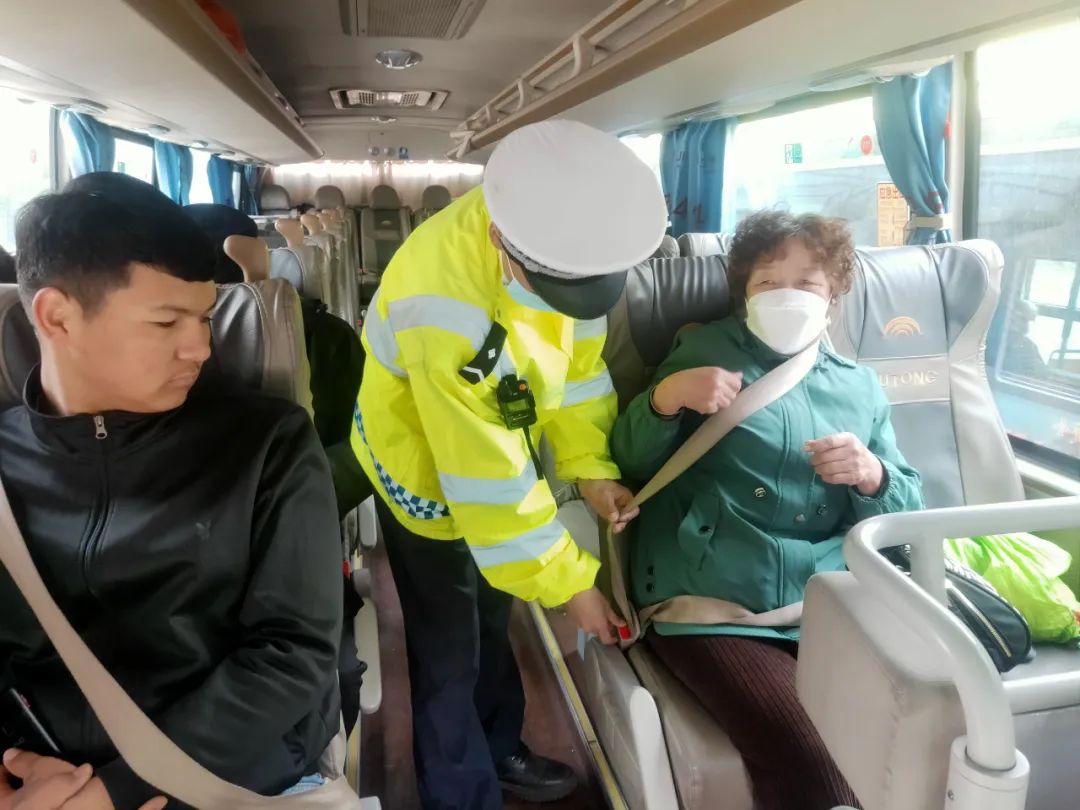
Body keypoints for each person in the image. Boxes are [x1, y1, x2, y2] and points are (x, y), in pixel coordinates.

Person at [347, 119, 666, 808]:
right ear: (499, 241)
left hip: (499, 446)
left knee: (494, 614)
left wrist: (589, 468)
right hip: (422, 467)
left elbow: (578, 373)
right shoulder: (444, 309)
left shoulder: (570, 246)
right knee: (449, 644)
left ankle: (498, 747)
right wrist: (571, 586)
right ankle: (458, 793)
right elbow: (486, 483)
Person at [0, 189, 343, 809]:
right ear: (56, 317)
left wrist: (118, 792)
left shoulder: (265, 445)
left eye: (206, 318)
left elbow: (293, 651)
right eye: (166, 323)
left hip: (227, 777)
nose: (201, 349)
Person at [610, 210, 924, 810]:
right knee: (816, 762)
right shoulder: (701, 351)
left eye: (806, 283)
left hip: (825, 602)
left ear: (833, 296)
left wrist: (871, 474)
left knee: (907, 732)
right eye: (767, 282)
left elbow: (905, 512)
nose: (787, 295)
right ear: (744, 294)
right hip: (711, 600)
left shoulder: (858, 386)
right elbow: (630, 463)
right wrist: (665, 399)